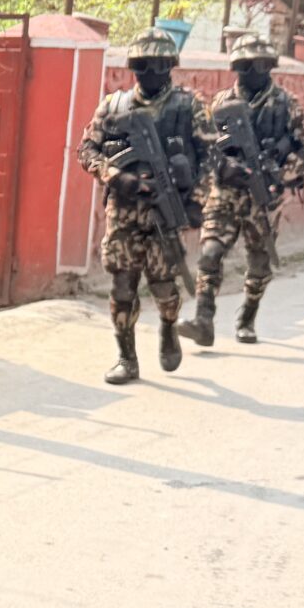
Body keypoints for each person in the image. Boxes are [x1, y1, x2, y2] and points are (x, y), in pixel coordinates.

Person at [76, 31, 209, 385]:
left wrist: (197, 200)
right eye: (143, 65)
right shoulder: (113, 106)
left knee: (164, 286)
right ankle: (127, 358)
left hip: (166, 210)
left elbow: (211, 156)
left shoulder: (189, 106)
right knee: (122, 285)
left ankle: (168, 327)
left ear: (170, 66)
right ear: (133, 66)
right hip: (124, 211)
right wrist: (115, 175)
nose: (150, 71)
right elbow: (87, 150)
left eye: (159, 64)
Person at [185, 39, 304, 346]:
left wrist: (281, 175)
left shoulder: (286, 104)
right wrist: (223, 165)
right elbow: (205, 145)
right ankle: (203, 320)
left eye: (260, 65)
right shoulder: (222, 102)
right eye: (246, 65)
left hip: (265, 195)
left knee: (260, 263)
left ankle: (247, 316)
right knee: (210, 252)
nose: (253, 71)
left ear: (270, 67)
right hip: (226, 192)